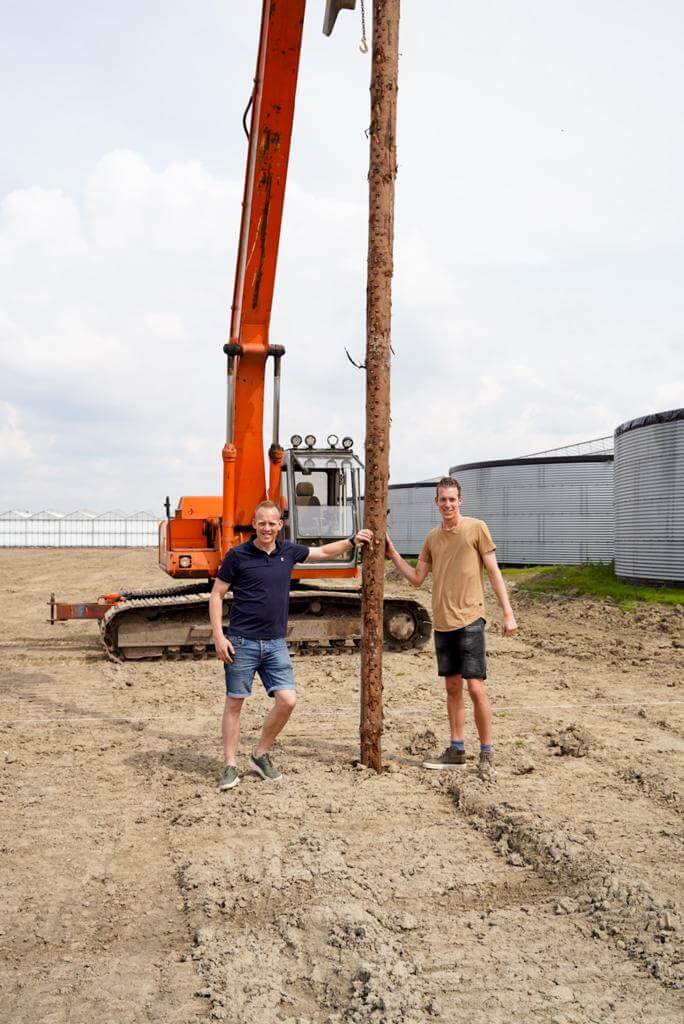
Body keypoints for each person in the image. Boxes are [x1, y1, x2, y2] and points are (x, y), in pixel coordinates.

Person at [210, 500, 372, 790]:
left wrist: (352, 541)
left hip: (275, 644)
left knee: (288, 700)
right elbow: (216, 595)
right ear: (254, 525)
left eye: (272, 523)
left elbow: (322, 552)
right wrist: (219, 637)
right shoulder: (237, 555)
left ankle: (260, 754)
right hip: (241, 643)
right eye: (262, 523)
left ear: (280, 525)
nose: (267, 528)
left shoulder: (287, 551)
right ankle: (230, 765)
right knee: (235, 703)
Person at [386, 476, 517, 774]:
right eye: (442, 499)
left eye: (452, 499)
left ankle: (487, 754)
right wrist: (392, 553)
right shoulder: (432, 538)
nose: (447, 504)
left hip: (470, 619)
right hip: (443, 623)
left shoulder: (476, 528)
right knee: (453, 686)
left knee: (475, 686)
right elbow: (417, 578)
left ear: (460, 501)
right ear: (436, 502)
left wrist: (508, 613)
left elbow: (494, 573)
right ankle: (456, 749)